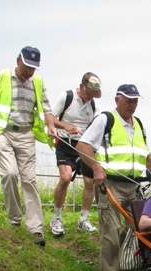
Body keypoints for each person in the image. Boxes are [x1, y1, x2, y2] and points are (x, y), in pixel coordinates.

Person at [76, 84, 151, 271]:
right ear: (117, 100)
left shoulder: (138, 124)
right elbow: (83, 145)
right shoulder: (106, 120)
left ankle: (122, 266)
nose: (132, 105)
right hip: (110, 185)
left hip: (135, 187)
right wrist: (96, 168)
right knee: (111, 233)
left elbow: (146, 153)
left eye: (135, 101)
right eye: (128, 101)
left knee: (136, 230)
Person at [0, 46, 57, 247]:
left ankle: (36, 229)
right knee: (9, 174)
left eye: (33, 68)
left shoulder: (37, 82)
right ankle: (14, 220)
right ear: (18, 60)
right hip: (2, 132)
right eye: (27, 66)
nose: (29, 72)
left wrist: (51, 126)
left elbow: (47, 109)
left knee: (29, 180)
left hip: (26, 134)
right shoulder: (1, 77)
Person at [49, 73, 102, 237]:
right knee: (65, 178)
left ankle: (83, 219)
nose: (91, 97)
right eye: (89, 93)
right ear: (82, 86)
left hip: (85, 145)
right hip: (65, 142)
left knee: (90, 181)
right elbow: (50, 118)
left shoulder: (94, 104)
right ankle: (56, 218)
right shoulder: (67, 97)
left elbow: (99, 122)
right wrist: (65, 127)